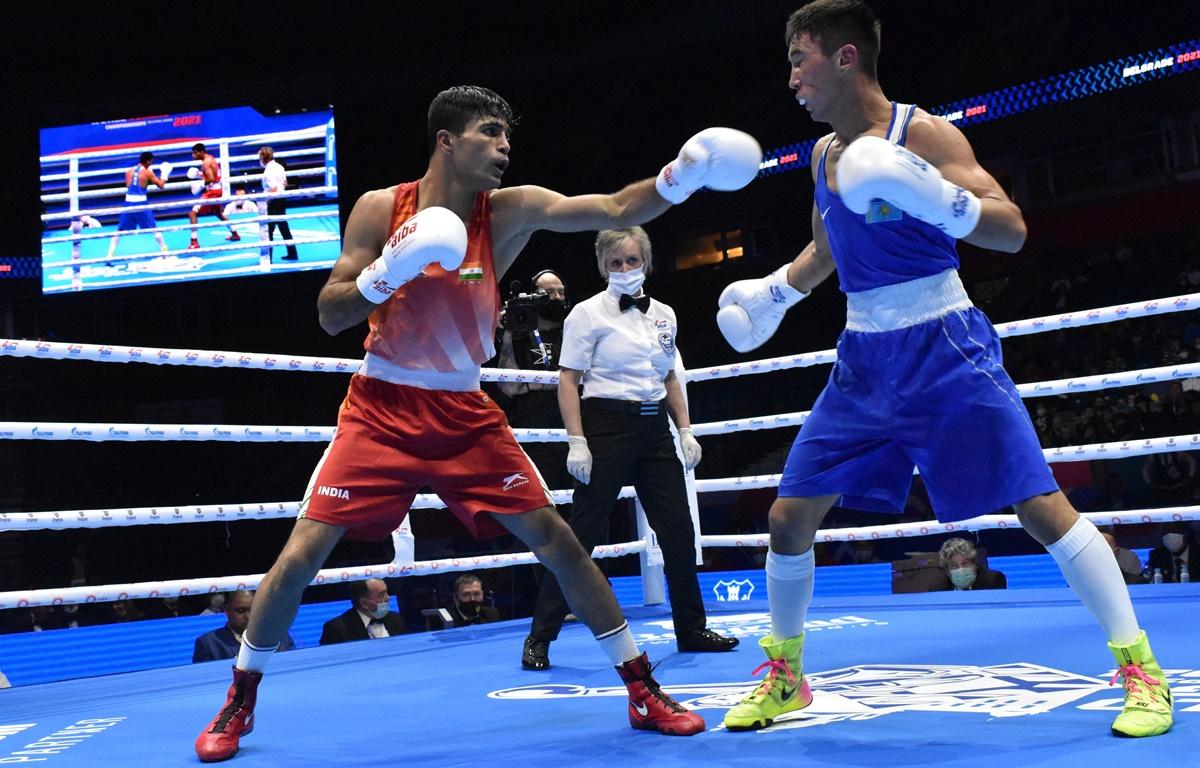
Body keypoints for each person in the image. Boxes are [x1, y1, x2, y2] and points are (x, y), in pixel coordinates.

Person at [194, 85, 762, 760]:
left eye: (507, 137)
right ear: (447, 140)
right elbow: (331, 312)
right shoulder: (383, 207)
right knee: (301, 554)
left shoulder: (510, 212)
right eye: (491, 133)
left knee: (557, 539)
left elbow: (611, 209)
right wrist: (386, 272)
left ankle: (642, 687)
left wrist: (681, 177)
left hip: (463, 410)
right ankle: (241, 699)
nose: (504, 147)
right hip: (382, 407)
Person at [714, 1, 1171, 737]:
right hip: (863, 358)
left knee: (1040, 507)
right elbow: (827, 252)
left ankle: (1140, 671)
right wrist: (771, 296)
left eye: (799, 59)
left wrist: (936, 195)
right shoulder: (826, 158)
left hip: (944, 344)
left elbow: (1011, 227)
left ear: (844, 57)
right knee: (788, 516)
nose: (791, 77)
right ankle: (786, 677)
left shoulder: (919, 132)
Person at [521, 226, 739, 671]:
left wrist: (686, 430)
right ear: (603, 266)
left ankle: (692, 628)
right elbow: (568, 380)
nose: (624, 269)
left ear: (646, 261)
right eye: (615, 262)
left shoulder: (664, 314)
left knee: (679, 531)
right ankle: (539, 637)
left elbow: (669, 376)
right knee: (581, 538)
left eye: (631, 260)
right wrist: (577, 440)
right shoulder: (585, 313)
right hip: (605, 428)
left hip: (654, 428)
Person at [494, 269, 572, 490]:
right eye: (549, 293)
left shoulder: (575, 328)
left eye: (561, 292)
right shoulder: (519, 331)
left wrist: (529, 385)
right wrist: (508, 332)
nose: (556, 297)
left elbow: (577, 381)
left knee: (576, 504)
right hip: (530, 433)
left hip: (569, 431)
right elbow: (509, 387)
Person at [194, 591, 295, 662]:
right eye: (241, 611)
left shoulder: (280, 637)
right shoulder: (208, 644)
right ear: (226, 610)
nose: (248, 617)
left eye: (253, 610)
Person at [106, 151, 171, 260]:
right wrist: (165, 174)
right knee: (154, 228)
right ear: (148, 161)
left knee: (120, 230)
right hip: (141, 203)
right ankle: (164, 251)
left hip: (129, 203)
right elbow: (161, 185)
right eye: (151, 161)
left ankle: (109, 254)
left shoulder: (128, 171)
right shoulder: (147, 172)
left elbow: (129, 186)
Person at [320, 578, 408, 644]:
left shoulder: (396, 619)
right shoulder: (336, 629)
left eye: (387, 593)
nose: (388, 598)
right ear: (364, 603)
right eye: (381, 595)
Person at [187, 143, 239, 249]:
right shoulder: (210, 158)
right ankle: (235, 234)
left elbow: (210, 179)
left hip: (212, 192)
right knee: (218, 213)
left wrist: (200, 185)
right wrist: (199, 175)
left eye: (195, 153)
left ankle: (194, 242)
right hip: (216, 190)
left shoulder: (206, 162)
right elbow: (213, 176)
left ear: (201, 152)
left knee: (192, 214)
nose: (193, 155)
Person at [258, 146, 299, 261]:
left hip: (273, 200)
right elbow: (285, 183)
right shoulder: (279, 166)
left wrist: (265, 202)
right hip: (282, 199)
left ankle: (268, 258)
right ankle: (292, 253)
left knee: (269, 230)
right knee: (283, 227)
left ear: (263, 158)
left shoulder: (268, 172)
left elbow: (273, 188)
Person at [934, 538, 1006, 591]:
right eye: (954, 566)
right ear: (947, 571)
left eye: (965, 563)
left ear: (974, 565)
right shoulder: (939, 587)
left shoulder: (994, 580)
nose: (961, 569)